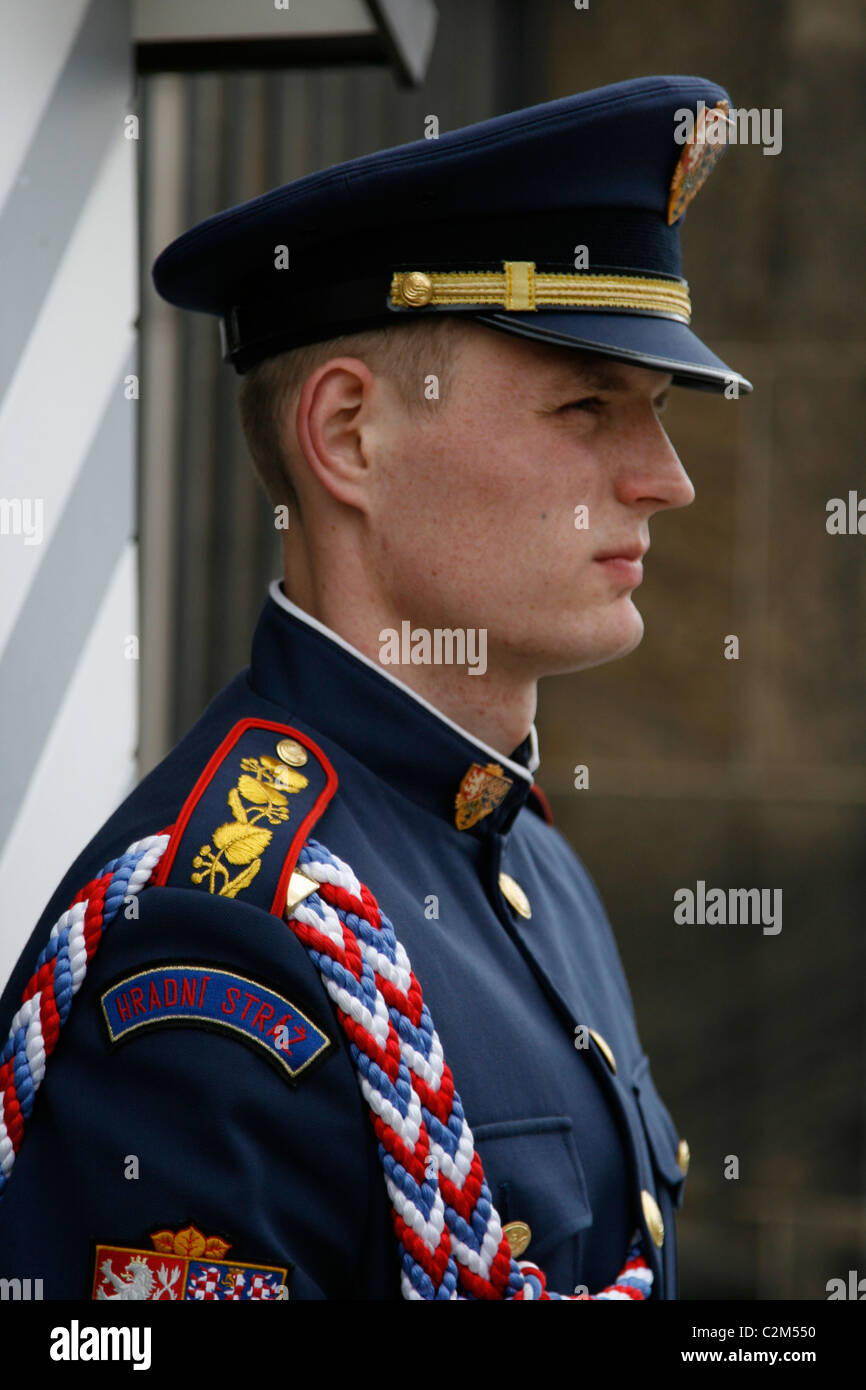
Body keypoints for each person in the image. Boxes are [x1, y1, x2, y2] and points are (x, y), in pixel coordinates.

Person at [0, 75, 749, 1301]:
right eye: (586, 405)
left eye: (656, 413)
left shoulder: (515, 851)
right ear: (348, 435)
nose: (664, 479)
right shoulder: (222, 940)